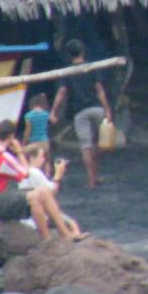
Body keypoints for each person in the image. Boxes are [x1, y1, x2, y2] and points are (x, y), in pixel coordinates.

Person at [0, 120, 78, 240]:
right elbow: (26, 174)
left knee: (43, 191)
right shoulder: (4, 158)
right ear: (11, 137)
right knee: (34, 197)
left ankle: (65, 235)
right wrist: (19, 152)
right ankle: (47, 238)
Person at [50, 39, 113, 188]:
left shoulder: (67, 71)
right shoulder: (91, 67)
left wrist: (53, 111)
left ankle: (91, 180)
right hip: (96, 109)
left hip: (80, 113)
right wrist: (107, 109)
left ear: (68, 54)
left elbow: (62, 91)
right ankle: (96, 175)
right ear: (83, 51)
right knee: (98, 144)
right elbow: (99, 90)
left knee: (86, 147)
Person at [19, 143, 87, 241]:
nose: (43, 160)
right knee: (71, 222)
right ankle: (75, 237)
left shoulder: (24, 171)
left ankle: (74, 236)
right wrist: (58, 173)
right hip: (38, 213)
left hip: (30, 211)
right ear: (32, 158)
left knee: (68, 221)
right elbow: (51, 192)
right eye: (41, 157)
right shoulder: (33, 172)